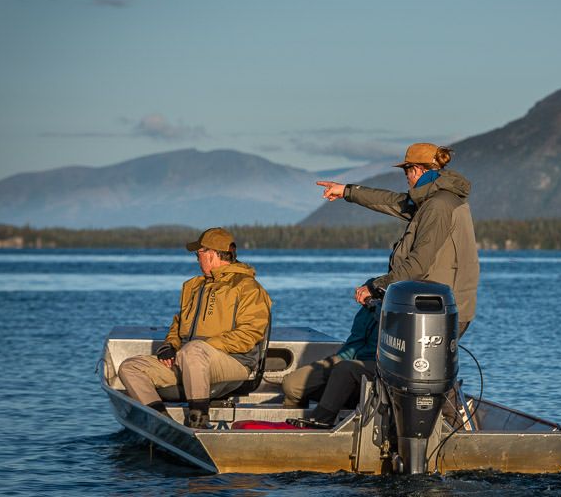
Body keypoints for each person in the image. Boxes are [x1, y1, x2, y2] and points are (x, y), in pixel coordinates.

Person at [317, 143, 479, 337]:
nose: (407, 180)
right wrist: (346, 191)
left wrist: (375, 287)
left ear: (417, 170)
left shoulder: (437, 206)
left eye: (407, 173)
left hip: (438, 312)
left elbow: (418, 264)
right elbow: (392, 201)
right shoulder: (433, 200)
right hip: (433, 307)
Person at [118, 227, 271, 429]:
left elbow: (248, 335)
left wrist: (203, 346)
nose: (197, 259)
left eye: (198, 254)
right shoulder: (195, 287)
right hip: (189, 360)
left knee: (193, 351)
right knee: (130, 367)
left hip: (234, 363)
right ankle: (162, 423)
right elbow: (178, 324)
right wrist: (169, 345)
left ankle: (198, 421)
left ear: (210, 254)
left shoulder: (248, 287)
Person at [282, 296, 380, 429]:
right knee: (292, 385)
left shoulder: (399, 297)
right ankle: (288, 426)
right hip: (346, 356)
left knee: (345, 369)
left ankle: (317, 424)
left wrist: (378, 297)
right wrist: (371, 292)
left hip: (377, 364)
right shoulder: (371, 296)